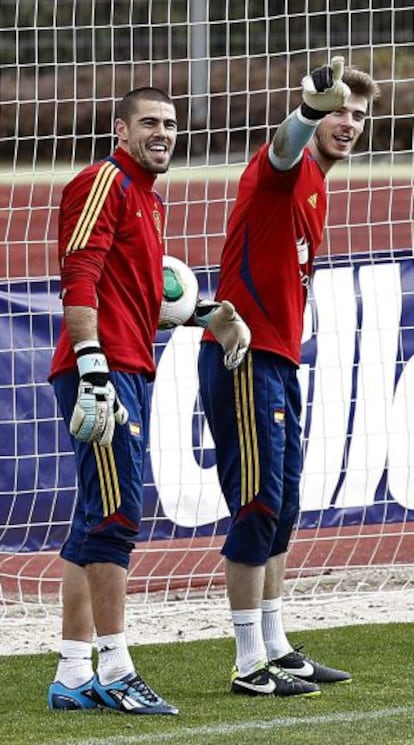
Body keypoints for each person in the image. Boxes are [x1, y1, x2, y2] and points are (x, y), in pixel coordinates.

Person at [47, 86, 250, 714]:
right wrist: (92, 369)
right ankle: (116, 666)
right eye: (149, 122)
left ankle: (74, 673)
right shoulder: (103, 181)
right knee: (115, 520)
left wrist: (209, 315)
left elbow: (142, 303)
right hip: (103, 371)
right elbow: (77, 274)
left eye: (170, 123)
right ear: (121, 128)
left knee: (93, 523)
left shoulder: (149, 200)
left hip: (127, 367)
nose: (163, 132)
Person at [198, 58, 380, 697]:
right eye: (339, 110)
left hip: (278, 360)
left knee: (284, 508)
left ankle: (275, 645)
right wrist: (307, 109)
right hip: (243, 357)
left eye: (358, 114)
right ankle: (248, 663)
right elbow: (280, 148)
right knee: (257, 505)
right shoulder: (284, 167)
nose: (348, 123)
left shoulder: (320, 186)